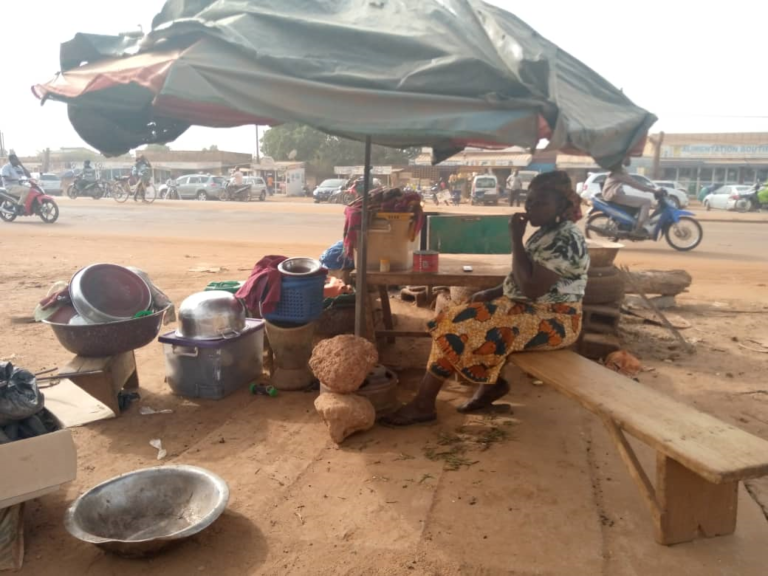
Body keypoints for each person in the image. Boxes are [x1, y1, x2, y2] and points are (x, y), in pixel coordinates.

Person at [385, 171, 589, 425]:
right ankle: (489, 387)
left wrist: (515, 238)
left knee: (461, 327)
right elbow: (521, 276)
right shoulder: (546, 232)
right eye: (530, 200)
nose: (531, 207)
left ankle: (424, 403)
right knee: (453, 315)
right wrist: (491, 293)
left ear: (561, 205)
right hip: (529, 310)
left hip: (556, 320)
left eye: (541, 202)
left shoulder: (565, 238)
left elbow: (532, 288)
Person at [602, 158, 663, 237]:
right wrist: (652, 190)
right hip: (613, 195)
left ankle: (642, 222)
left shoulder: (618, 169)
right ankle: (638, 230)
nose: (629, 159)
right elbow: (634, 183)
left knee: (641, 201)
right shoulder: (620, 171)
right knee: (646, 202)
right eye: (627, 157)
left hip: (613, 194)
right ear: (623, 159)